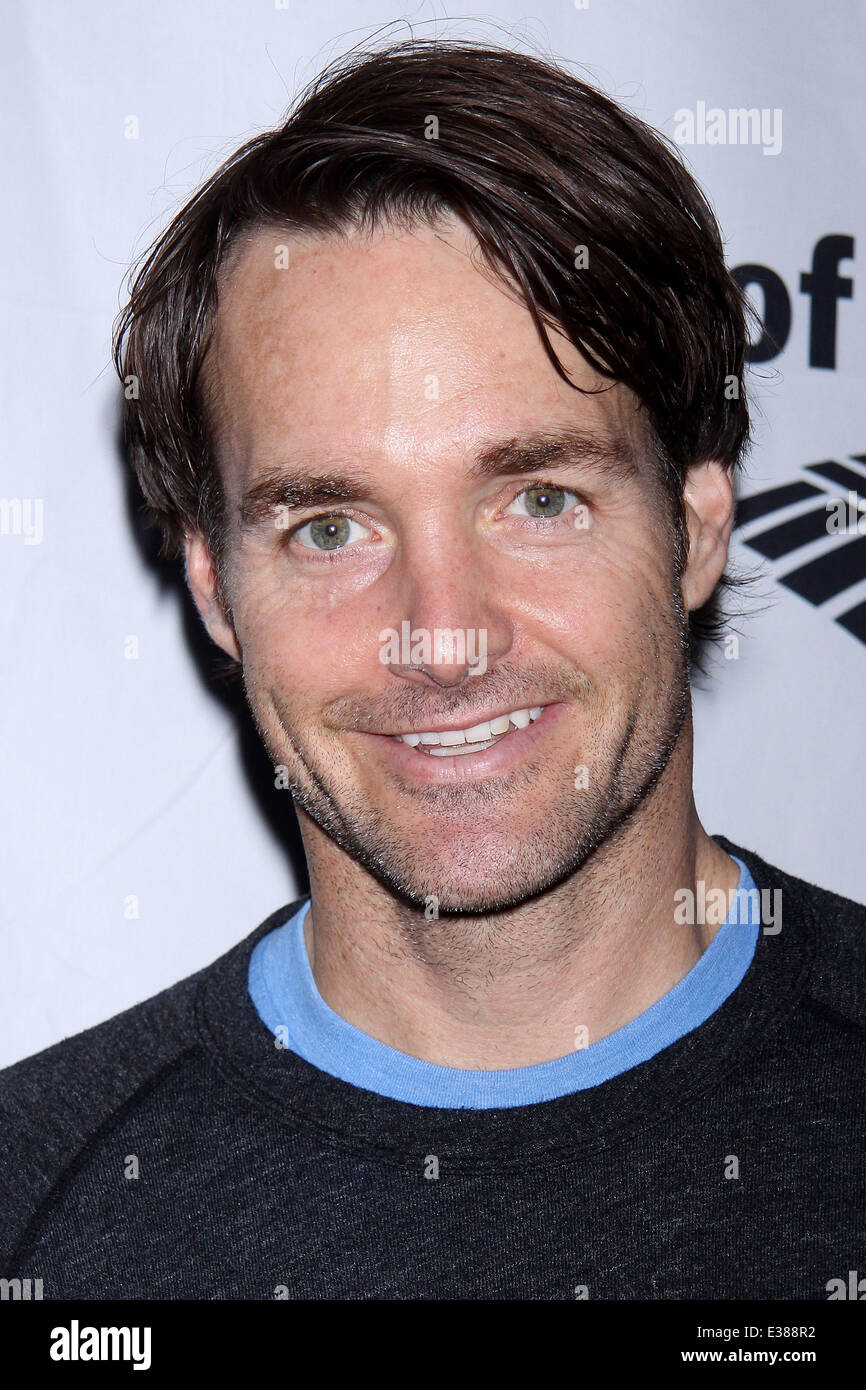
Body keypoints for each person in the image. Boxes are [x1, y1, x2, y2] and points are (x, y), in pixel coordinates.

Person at [2, 39, 863, 1302]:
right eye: (328, 529)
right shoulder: (35, 1218)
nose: (443, 638)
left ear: (695, 528)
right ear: (214, 589)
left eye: (539, 499)